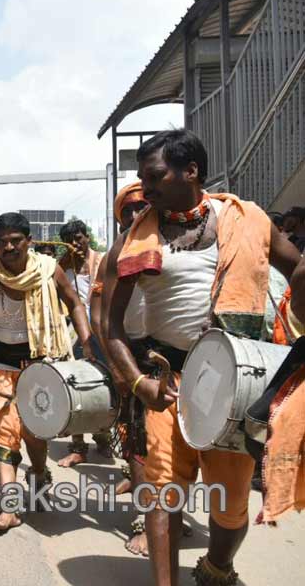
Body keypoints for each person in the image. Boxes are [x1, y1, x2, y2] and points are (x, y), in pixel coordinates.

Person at [102, 129, 304, 586]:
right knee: (160, 494)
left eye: (153, 176)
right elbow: (109, 327)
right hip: (166, 381)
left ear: (190, 171)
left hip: (237, 384)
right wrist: (138, 383)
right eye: (141, 178)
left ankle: (218, 567)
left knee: (231, 504)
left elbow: (297, 272)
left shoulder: (247, 220)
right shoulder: (132, 242)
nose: (145, 188)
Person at [0, 212, 93, 533]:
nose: (9, 247)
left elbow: (75, 303)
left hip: (42, 365)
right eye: (2, 241)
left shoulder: (50, 271)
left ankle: (38, 474)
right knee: (5, 433)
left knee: (35, 435)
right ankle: (9, 508)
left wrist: (87, 345)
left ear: (29, 242)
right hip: (3, 367)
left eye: (15, 240)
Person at [89, 182, 154, 555]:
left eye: (143, 206)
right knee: (138, 441)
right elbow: (100, 315)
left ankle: (169, 512)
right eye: (128, 210)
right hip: (132, 353)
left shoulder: (175, 242)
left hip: (180, 354)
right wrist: (115, 362)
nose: (135, 214)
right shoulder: (114, 253)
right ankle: (144, 521)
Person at [54, 219, 110, 467]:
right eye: (70, 240)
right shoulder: (62, 266)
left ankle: (104, 437)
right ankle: (78, 447)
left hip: (104, 332)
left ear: (87, 237)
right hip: (72, 334)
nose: (76, 243)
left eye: (79, 237)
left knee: (106, 385)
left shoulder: (103, 260)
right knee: (74, 387)